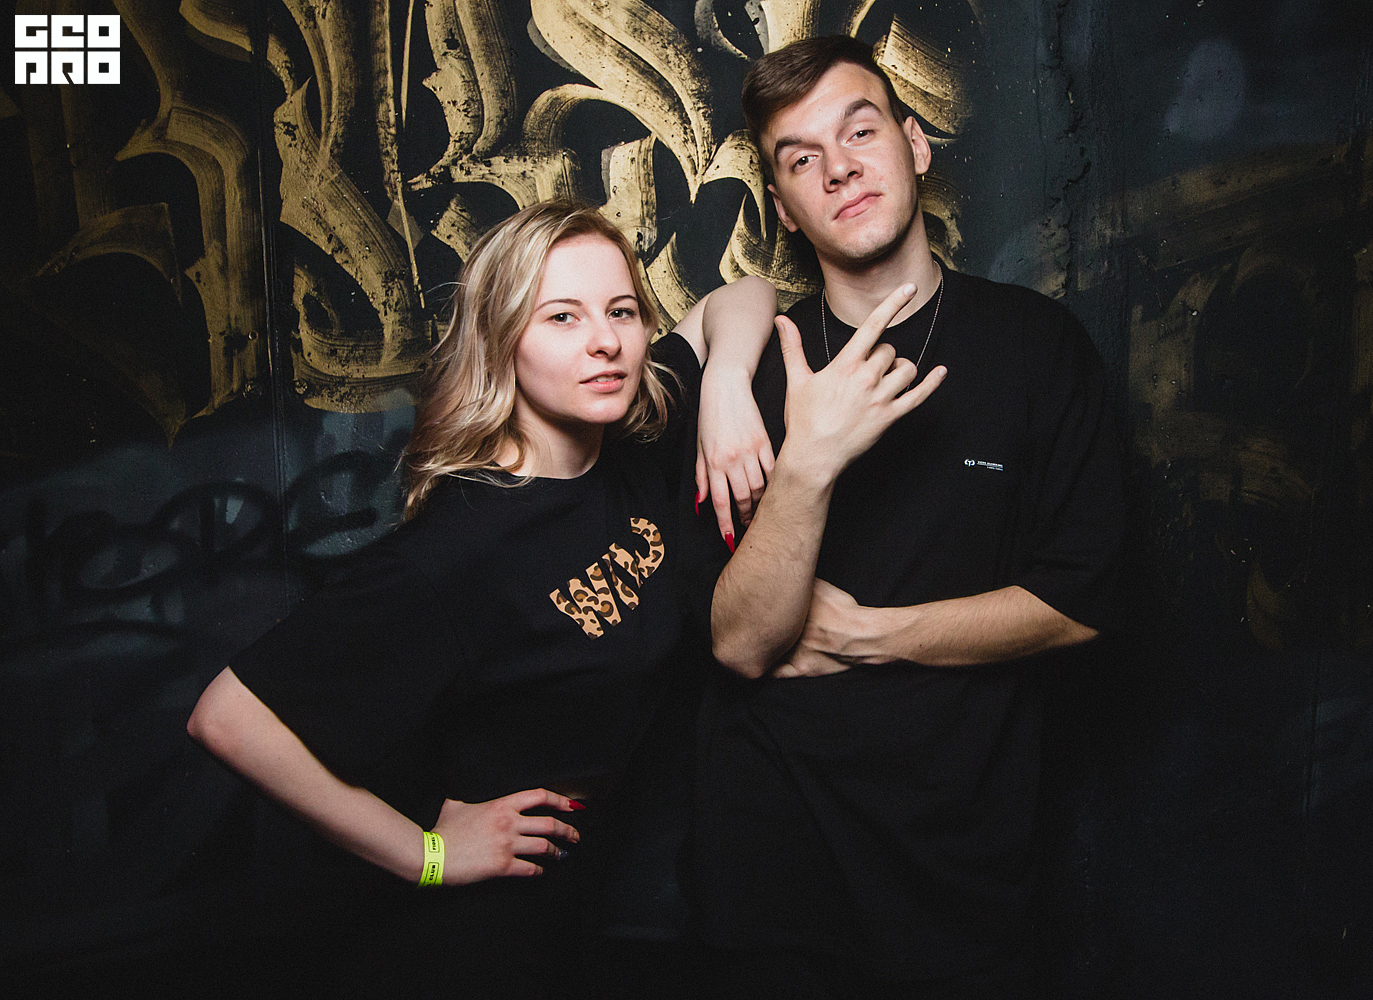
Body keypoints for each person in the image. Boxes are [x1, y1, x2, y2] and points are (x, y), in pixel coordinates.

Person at [186, 200, 769, 993]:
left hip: (590, 907)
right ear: (502, 339)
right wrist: (425, 854)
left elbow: (745, 295)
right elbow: (227, 717)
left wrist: (728, 383)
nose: (605, 341)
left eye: (622, 310)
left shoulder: (631, 448)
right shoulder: (461, 549)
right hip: (474, 941)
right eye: (561, 316)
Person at [687, 35, 1126, 998]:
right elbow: (741, 645)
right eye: (801, 158)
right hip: (772, 878)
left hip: (963, 869)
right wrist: (804, 460)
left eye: (860, 130)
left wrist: (870, 636)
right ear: (783, 208)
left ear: (915, 145)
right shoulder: (755, 373)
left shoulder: (1038, 347)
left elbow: (1082, 601)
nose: (839, 167)